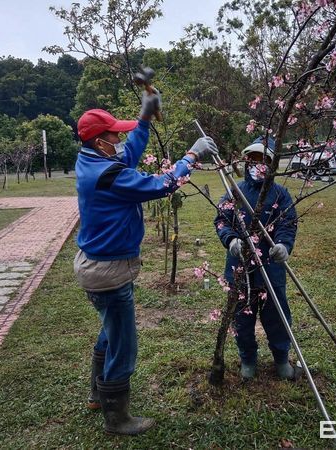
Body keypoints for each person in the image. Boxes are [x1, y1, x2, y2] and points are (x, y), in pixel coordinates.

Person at [74, 91, 218, 435]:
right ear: (99, 142)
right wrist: (191, 156)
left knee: (111, 330)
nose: (120, 139)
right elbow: (164, 184)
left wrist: (144, 119)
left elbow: (131, 152)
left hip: (95, 266)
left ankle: (98, 395)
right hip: (108, 271)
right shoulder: (107, 175)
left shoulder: (91, 159)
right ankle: (117, 418)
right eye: (114, 135)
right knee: (124, 344)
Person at [214, 137, 301, 381]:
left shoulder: (280, 194)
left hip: (272, 267)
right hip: (240, 266)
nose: (257, 165)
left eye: (263, 160)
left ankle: (281, 358)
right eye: (252, 159)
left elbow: (288, 222)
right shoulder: (235, 191)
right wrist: (231, 240)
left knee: (277, 315)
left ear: (271, 164)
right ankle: (248, 359)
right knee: (242, 317)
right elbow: (221, 220)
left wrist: (283, 245)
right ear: (245, 162)